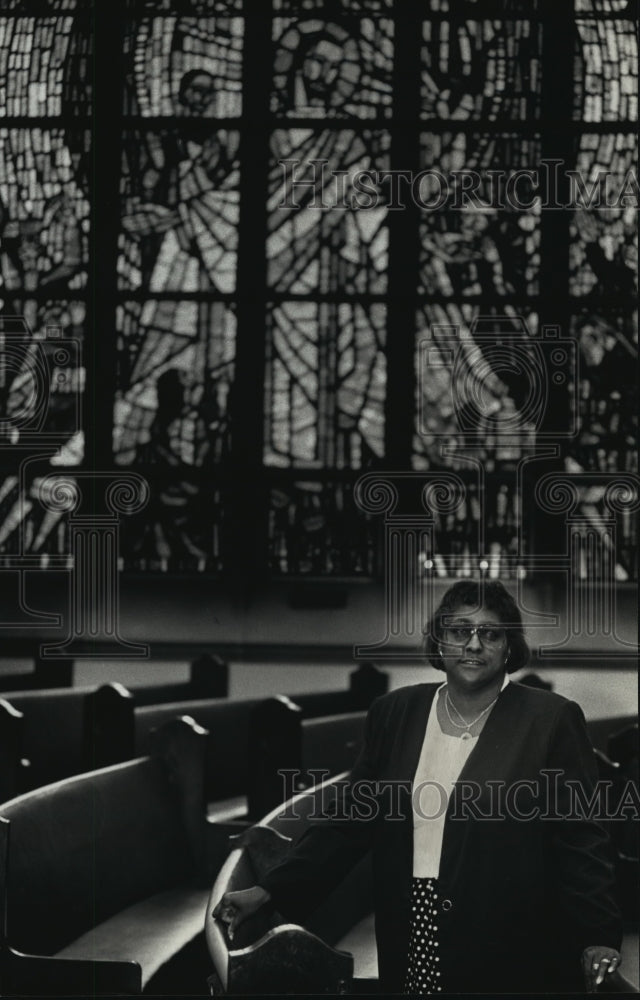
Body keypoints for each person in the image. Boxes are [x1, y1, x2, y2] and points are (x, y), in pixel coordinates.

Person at [213, 579, 627, 995]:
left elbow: (581, 836)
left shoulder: (551, 718)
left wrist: (598, 934)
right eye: (459, 631)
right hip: (412, 922)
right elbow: (347, 824)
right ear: (440, 640)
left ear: (508, 647)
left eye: (490, 633)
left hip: (509, 932)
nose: (473, 644)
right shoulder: (396, 713)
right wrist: (271, 890)